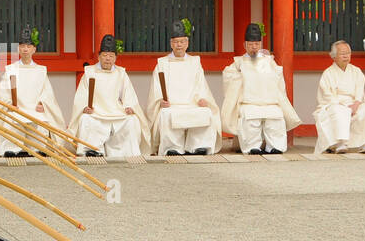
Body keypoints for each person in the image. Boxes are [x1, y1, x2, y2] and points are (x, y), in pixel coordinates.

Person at [221, 22, 301, 154]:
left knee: (275, 118)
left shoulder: (268, 60)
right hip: (249, 102)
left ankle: (275, 146)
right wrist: (239, 76)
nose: (254, 47)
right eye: (251, 44)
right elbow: (228, 77)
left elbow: (278, 78)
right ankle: (252, 147)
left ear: (261, 44)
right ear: (245, 45)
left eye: (257, 44)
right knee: (250, 119)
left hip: (269, 102)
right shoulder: (239, 62)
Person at [145, 19, 219, 156]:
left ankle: (198, 146)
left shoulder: (195, 61)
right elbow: (156, 86)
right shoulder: (162, 63)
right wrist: (161, 100)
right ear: (171, 44)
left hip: (192, 102)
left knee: (205, 111)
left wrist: (202, 98)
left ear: (187, 43)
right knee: (167, 114)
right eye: (176, 42)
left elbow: (201, 84)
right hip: (171, 104)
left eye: (182, 41)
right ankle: (172, 148)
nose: (179, 45)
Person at [0, 28, 66, 157]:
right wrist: (9, 104)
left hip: (34, 110)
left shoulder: (40, 70)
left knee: (41, 120)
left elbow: (47, 93)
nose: (25, 49)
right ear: (18, 49)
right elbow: (3, 93)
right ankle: (13, 149)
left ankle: (37, 149)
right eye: (22, 46)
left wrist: (43, 103)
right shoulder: (11, 69)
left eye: (28, 46)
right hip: (17, 109)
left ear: (34, 49)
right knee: (12, 118)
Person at [70, 34, 148, 157]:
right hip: (96, 111)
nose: (108, 59)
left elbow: (128, 94)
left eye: (111, 56)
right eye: (105, 55)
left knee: (132, 120)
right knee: (86, 119)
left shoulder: (121, 73)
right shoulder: (89, 72)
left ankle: (127, 152)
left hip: (116, 111)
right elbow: (81, 95)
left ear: (115, 58)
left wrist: (128, 106)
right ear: (99, 56)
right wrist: (85, 107)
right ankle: (92, 150)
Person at [312, 40, 365, 153]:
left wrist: (356, 104)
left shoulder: (356, 71)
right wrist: (343, 106)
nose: (346, 56)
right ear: (334, 56)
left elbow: (359, 92)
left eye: (348, 53)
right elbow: (327, 95)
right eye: (342, 54)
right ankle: (340, 143)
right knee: (339, 110)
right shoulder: (328, 73)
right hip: (335, 104)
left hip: (354, 103)